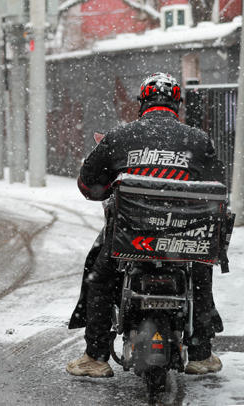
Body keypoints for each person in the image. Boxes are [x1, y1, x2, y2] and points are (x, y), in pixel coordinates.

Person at [66, 72, 224, 378]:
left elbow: (88, 184)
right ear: (177, 104)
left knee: (99, 279)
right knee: (201, 274)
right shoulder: (199, 140)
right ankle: (201, 354)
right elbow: (217, 189)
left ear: (142, 104)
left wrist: (104, 188)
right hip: (184, 242)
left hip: (130, 240)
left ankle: (96, 357)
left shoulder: (119, 137)